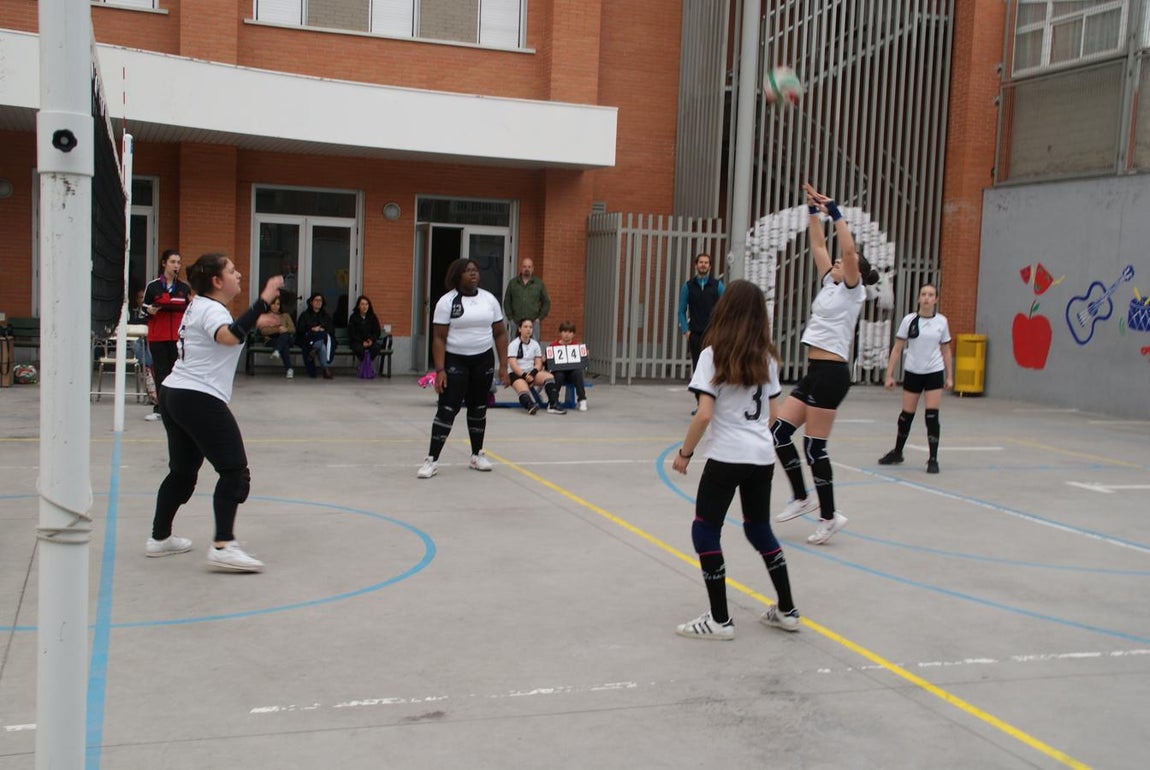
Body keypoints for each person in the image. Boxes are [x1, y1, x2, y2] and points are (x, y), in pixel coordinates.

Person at [671, 280, 799, 640]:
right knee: (759, 528)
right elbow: (774, 416)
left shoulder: (712, 354)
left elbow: (703, 414)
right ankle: (787, 609)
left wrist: (685, 454)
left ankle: (720, 619)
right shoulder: (768, 358)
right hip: (761, 456)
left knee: (705, 529)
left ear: (725, 310)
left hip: (727, 455)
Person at [145, 253, 282, 572]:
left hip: (174, 393)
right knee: (235, 471)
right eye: (233, 271)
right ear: (217, 281)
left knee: (182, 472)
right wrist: (262, 303)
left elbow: (224, 334)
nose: (239, 275)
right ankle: (223, 545)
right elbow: (227, 336)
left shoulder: (201, 306)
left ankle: (159, 538)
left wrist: (253, 322)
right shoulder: (211, 308)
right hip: (198, 397)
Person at [772, 184, 880, 545]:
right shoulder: (829, 284)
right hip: (814, 371)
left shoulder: (852, 288)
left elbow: (847, 249)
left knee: (815, 448)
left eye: (842, 263)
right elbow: (818, 245)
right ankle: (802, 496)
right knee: (779, 433)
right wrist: (812, 210)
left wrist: (835, 212)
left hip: (833, 373)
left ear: (854, 272)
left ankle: (829, 516)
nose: (834, 261)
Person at [418, 258, 509, 478]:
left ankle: (477, 454)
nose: (473, 274)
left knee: (479, 408)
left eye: (475, 270)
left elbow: (499, 333)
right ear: (458, 275)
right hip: (455, 361)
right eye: (468, 271)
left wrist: (503, 366)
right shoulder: (447, 302)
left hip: (483, 360)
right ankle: (432, 460)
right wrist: (440, 369)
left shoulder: (489, 300)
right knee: (447, 409)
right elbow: (439, 338)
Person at [878, 284, 953, 473]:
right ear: (919, 298)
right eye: (923, 294)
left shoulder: (941, 322)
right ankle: (897, 451)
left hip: (934, 372)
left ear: (936, 299)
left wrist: (950, 376)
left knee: (932, 416)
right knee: (906, 416)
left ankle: (933, 458)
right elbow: (897, 348)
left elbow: (946, 350)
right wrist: (889, 374)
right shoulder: (909, 320)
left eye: (931, 295)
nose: (927, 298)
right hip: (913, 372)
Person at [142, 249, 191, 420]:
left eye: (178, 262)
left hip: (177, 337)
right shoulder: (153, 286)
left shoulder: (184, 288)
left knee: (177, 372)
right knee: (161, 371)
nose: (176, 265)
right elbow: (143, 309)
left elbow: (189, 311)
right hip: (158, 335)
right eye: (172, 262)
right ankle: (160, 409)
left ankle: (176, 409)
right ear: (164, 263)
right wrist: (150, 310)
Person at [678, 253, 724, 413]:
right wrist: (686, 331)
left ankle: (716, 404)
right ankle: (701, 405)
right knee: (699, 369)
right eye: (700, 262)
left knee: (716, 368)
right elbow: (681, 311)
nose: (703, 265)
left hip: (714, 335)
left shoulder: (717, 285)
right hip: (696, 335)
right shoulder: (688, 286)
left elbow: (726, 309)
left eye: (706, 262)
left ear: (710, 266)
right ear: (696, 265)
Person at [506, 318, 554, 414]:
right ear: (519, 329)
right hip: (517, 374)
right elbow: (513, 364)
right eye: (525, 327)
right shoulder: (513, 345)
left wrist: (532, 374)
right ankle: (530, 406)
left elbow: (538, 363)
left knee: (550, 377)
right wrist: (525, 376)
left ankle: (553, 404)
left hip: (532, 373)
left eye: (531, 327)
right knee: (524, 391)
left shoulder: (535, 344)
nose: (528, 329)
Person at [503, 257, 551, 340]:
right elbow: (507, 301)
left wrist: (539, 318)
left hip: (533, 323)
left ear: (532, 268)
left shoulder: (538, 284)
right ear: (521, 268)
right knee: (515, 347)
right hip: (516, 322)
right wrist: (510, 318)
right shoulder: (513, 283)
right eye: (525, 267)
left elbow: (546, 302)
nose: (527, 269)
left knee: (534, 347)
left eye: (529, 267)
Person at [545, 320, 588, 413]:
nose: (567, 334)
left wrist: (585, 355)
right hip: (559, 373)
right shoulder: (553, 345)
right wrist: (545, 359)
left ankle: (582, 399)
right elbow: (548, 365)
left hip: (572, 374)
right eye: (564, 331)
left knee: (577, 373)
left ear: (573, 334)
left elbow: (582, 363)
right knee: (558, 375)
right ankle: (553, 401)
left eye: (570, 332)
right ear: (560, 332)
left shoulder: (577, 346)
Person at [296, 292, 335, 379]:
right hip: (308, 338)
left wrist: (323, 329)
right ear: (311, 302)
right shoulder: (305, 315)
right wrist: (312, 329)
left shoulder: (326, 316)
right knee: (322, 344)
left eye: (320, 300)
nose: (318, 302)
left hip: (322, 339)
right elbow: (300, 329)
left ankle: (315, 349)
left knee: (323, 340)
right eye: (316, 300)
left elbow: (331, 329)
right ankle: (326, 369)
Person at [256, 294, 297, 379]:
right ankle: (289, 369)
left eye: (278, 304)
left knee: (284, 335)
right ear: (269, 305)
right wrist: (277, 329)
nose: (275, 306)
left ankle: (277, 350)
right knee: (284, 345)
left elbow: (293, 329)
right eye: (273, 304)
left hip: (286, 338)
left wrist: (285, 329)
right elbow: (263, 331)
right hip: (271, 340)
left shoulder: (285, 315)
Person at [347, 295, 382, 372]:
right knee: (359, 349)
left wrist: (371, 340)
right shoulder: (353, 317)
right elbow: (351, 333)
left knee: (376, 347)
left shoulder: (372, 317)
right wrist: (362, 342)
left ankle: (363, 366)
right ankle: (368, 367)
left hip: (370, 341)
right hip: (357, 342)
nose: (364, 306)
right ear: (358, 306)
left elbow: (377, 331)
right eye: (362, 304)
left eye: (366, 304)